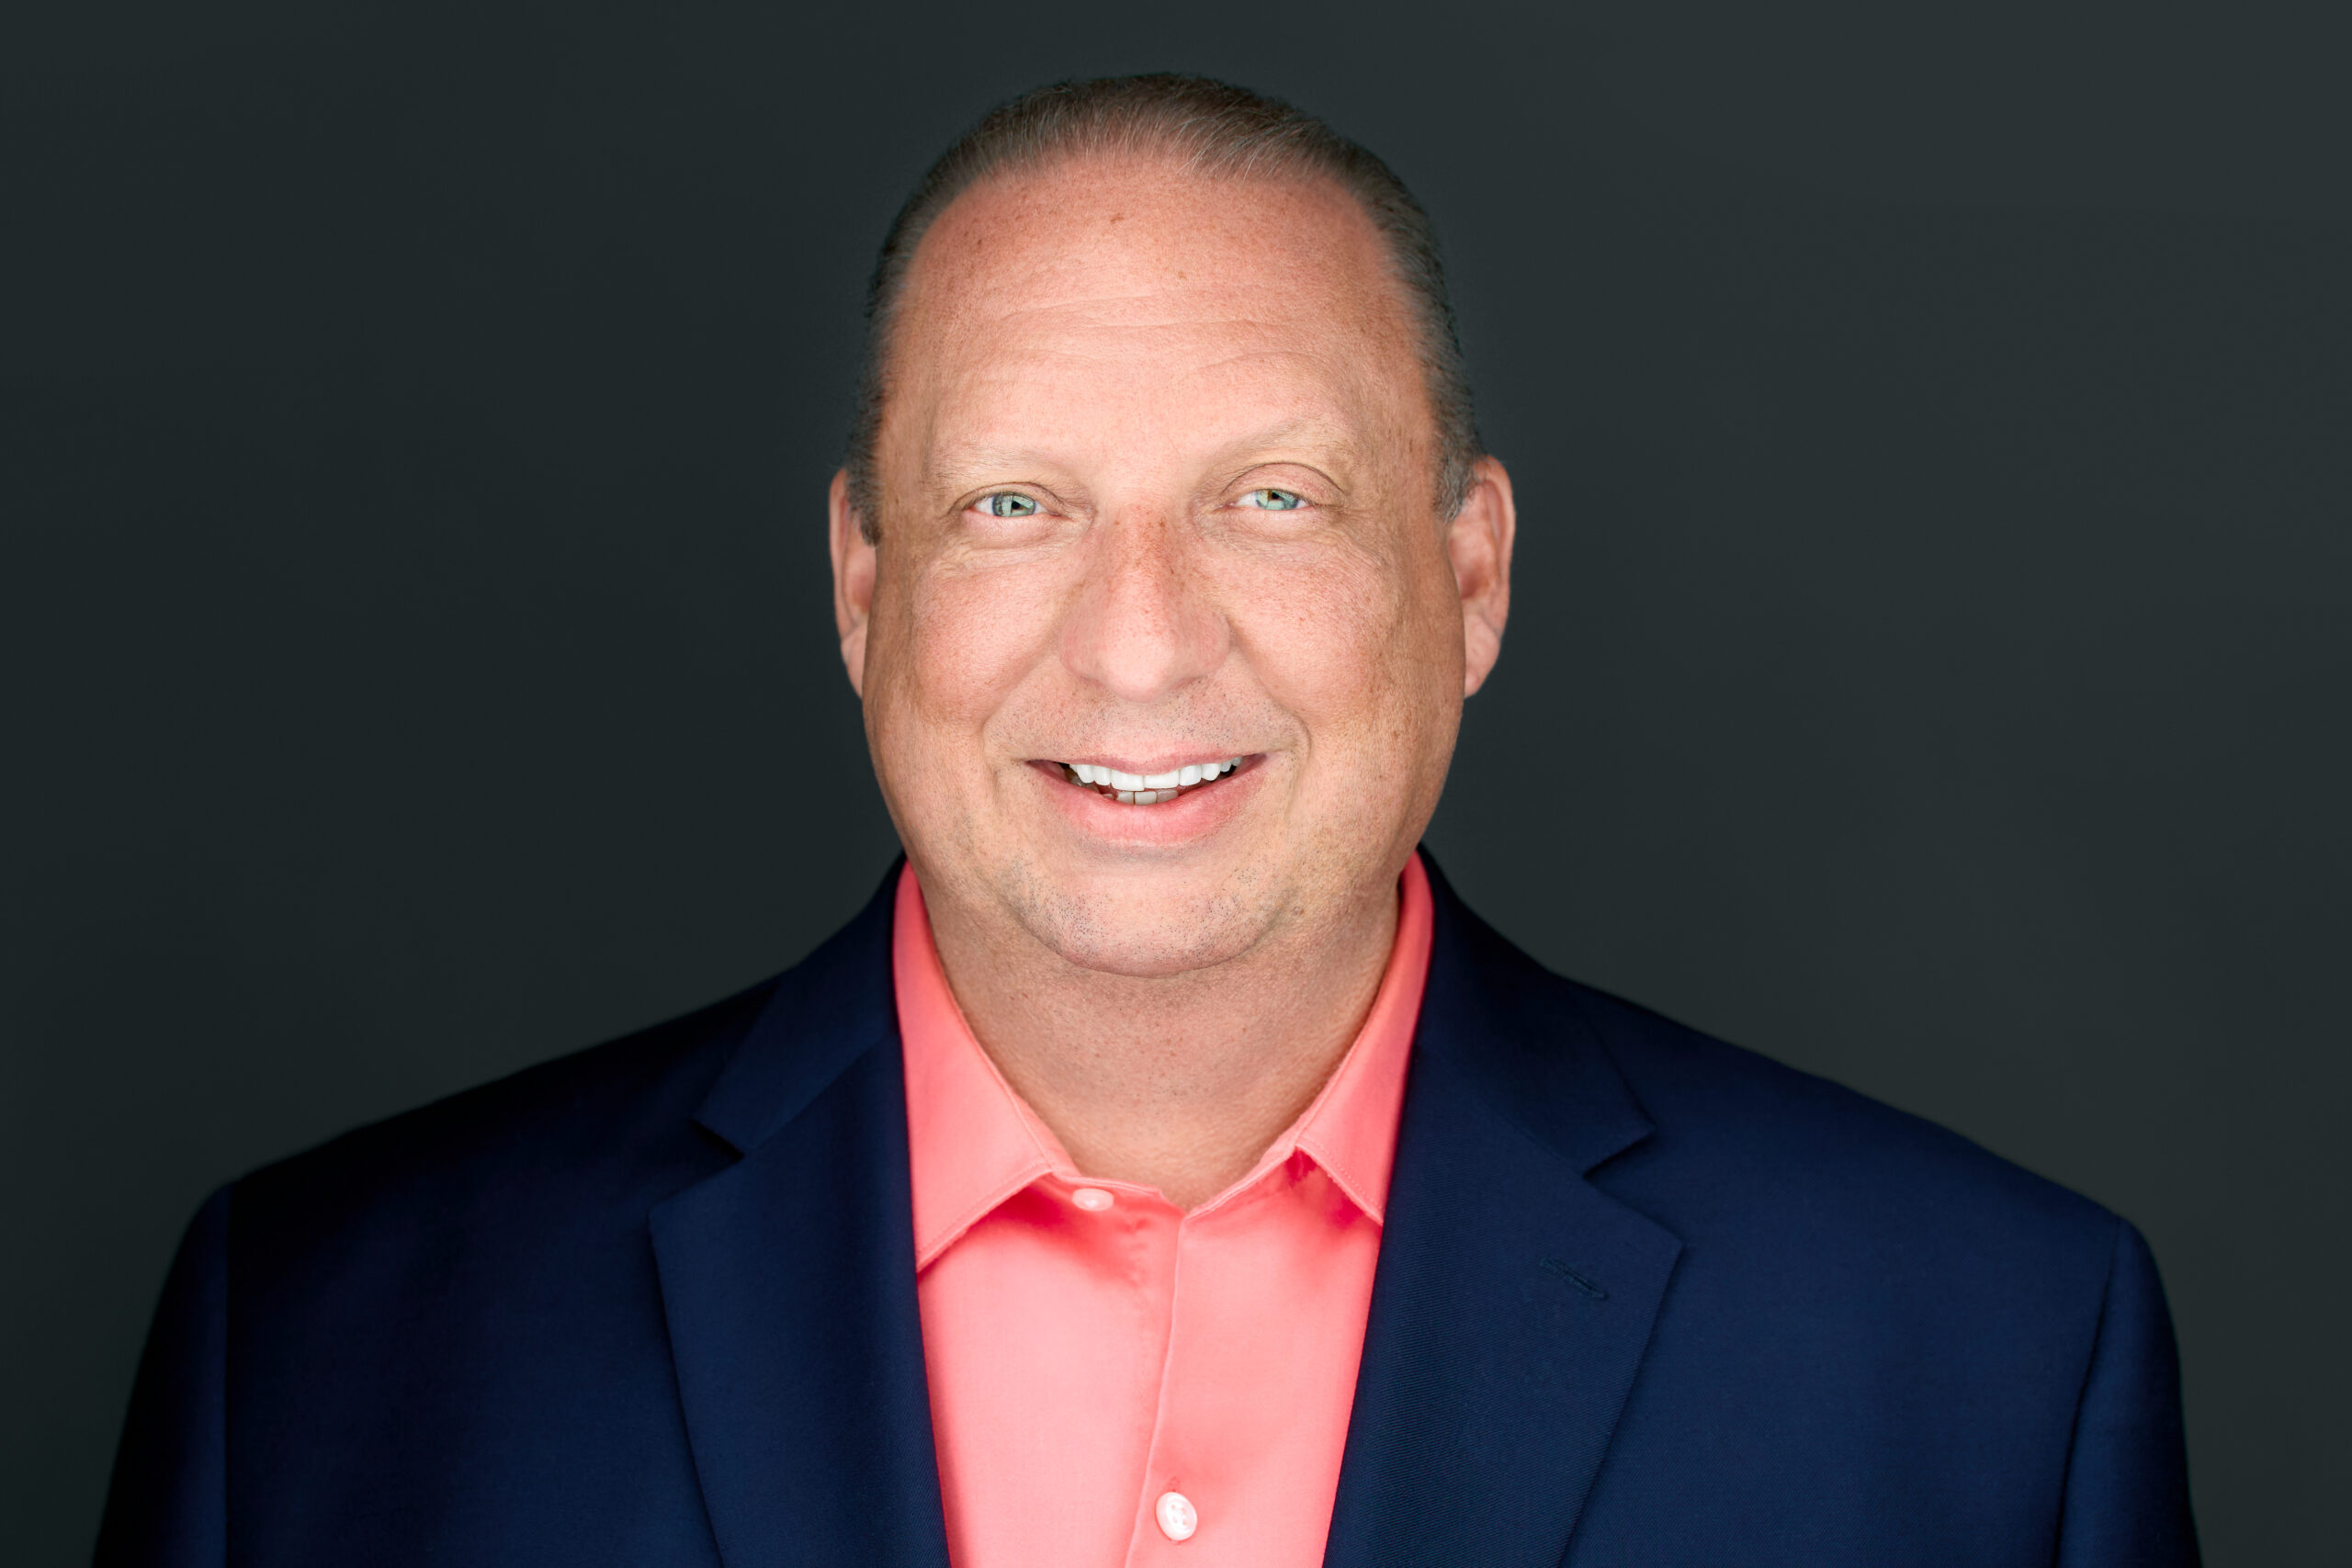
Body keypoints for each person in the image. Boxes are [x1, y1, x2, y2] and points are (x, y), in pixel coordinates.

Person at [96, 74, 2198, 1567]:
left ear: (1466, 580)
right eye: (1014, 504)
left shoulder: (1987, 1360)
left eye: (1269, 500)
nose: (1134, 643)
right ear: (860, 583)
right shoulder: (313, 1347)